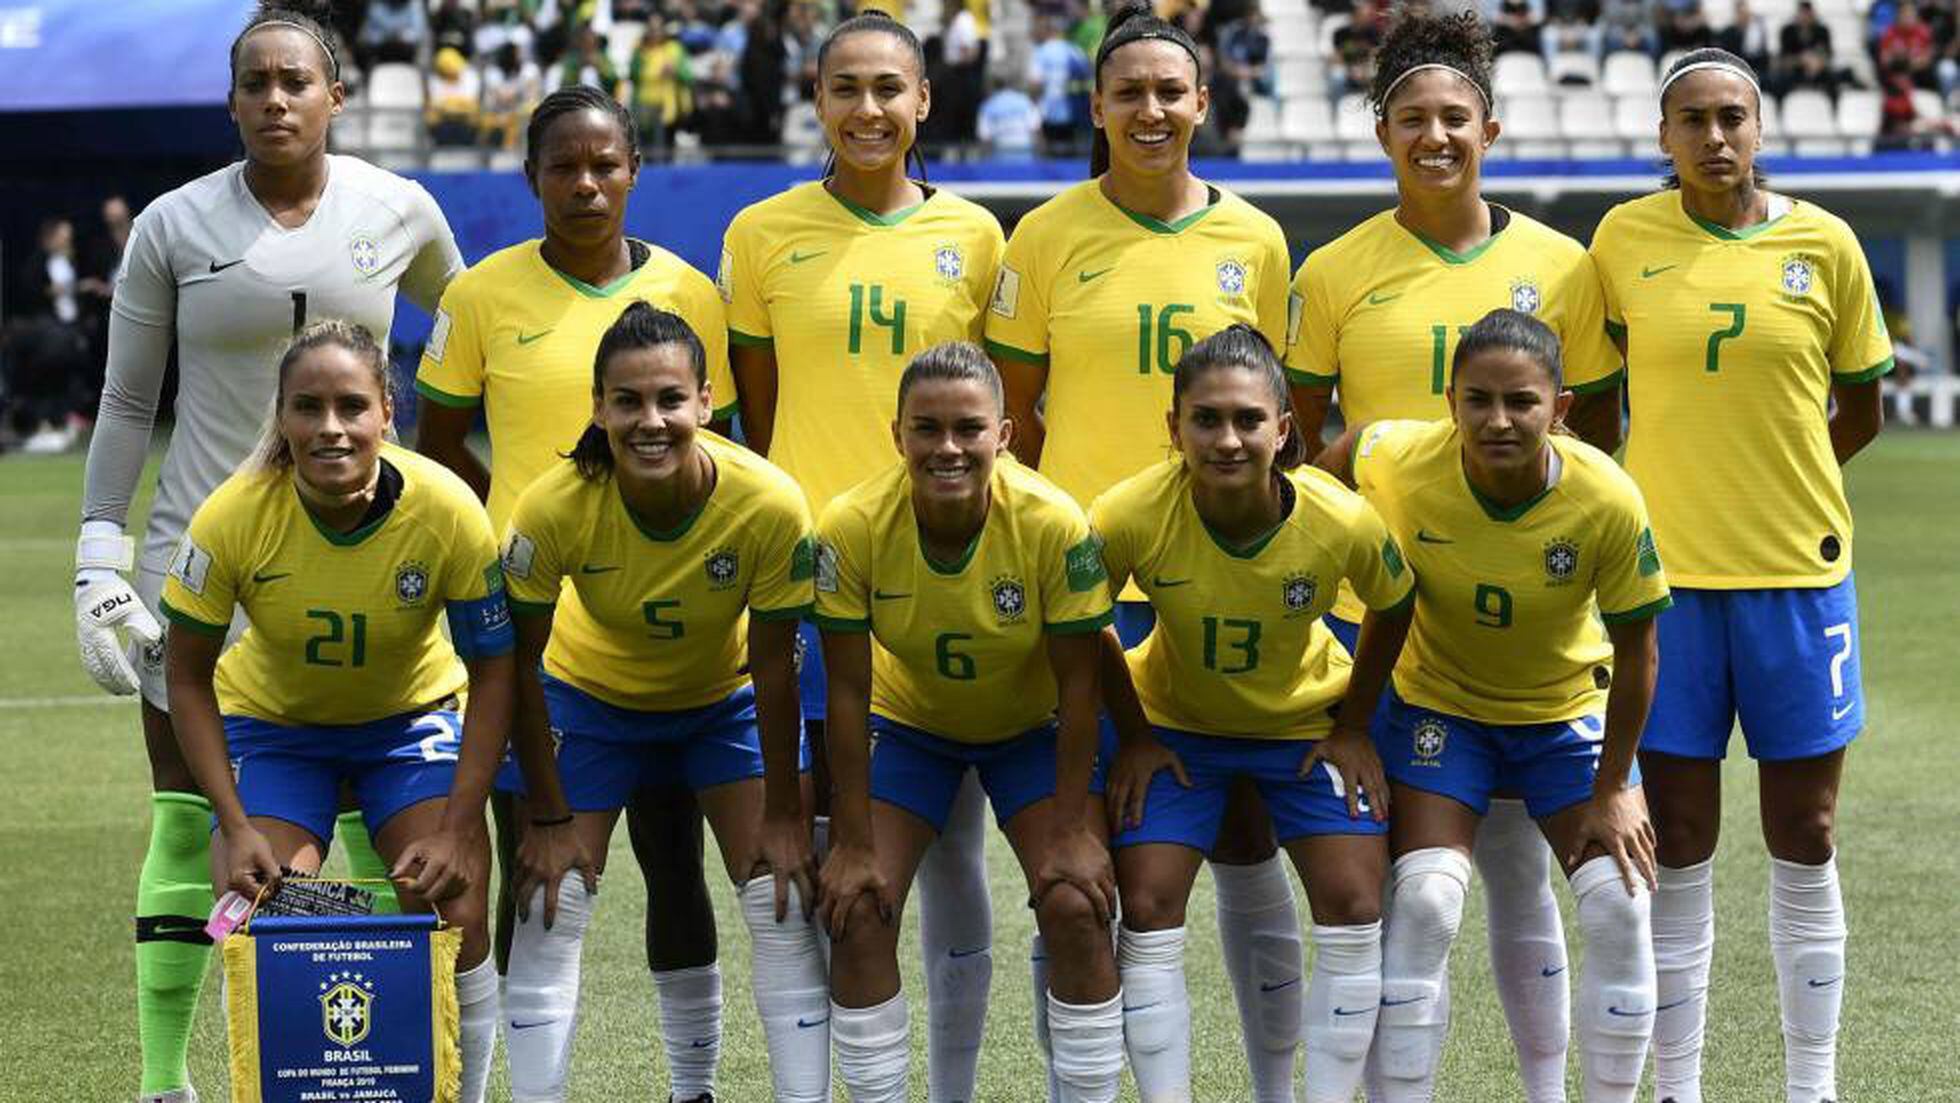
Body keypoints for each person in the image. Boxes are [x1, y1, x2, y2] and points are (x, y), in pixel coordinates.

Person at [72, 6, 463, 1099]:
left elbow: (471, 343)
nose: (277, 98)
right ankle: (163, 1078)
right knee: (188, 812)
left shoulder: (401, 208)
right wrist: (99, 557)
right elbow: (126, 396)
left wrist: (461, 485)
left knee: (378, 816)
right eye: (257, 83)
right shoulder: (171, 224)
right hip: (197, 563)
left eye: (298, 80)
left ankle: (403, 1066)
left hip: (365, 554)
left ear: (337, 96)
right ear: (233, 100)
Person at [1282, 10, 1624, 1097]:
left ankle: (1546, 1086)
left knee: (1526, 872)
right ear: (1380, 131)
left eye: (1453, 118)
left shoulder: (1562, 267)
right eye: (1411, 119)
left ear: (1491, 124)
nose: (1434, 137)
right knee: (1411, 892)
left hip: (1527, 613)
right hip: (1383, 622)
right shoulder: (1332, 271)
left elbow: (1596, 437)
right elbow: (1303, 451)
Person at [981, 5, 1298, 1096]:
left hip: (1225, 575)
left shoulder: (1254, 238)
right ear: (1098, 106)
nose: (1151, 111)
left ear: (1202, 103)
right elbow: (1009, 423)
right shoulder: (1045, 237)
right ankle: (1090, 1081)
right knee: (1084, 858)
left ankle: (1268, 1084)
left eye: (1171, 92)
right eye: (1130, 94)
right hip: (1086, 585)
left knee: (1248, 830)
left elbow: (1274, 412)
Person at [412, 82, 738, 1099]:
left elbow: (712, 447)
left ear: (636, 171)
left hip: (667, 627)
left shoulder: (691, 292)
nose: (588, 183)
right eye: (565, 166)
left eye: (606, 164)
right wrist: (519, 528)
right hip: (536, 633)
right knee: (537, 866)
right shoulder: (478, 298)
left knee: (676, 859)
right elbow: (436, 447)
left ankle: (696, 1085)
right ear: (532, 179)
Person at [1589, 48, 1892, 1103]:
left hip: (1799, 581)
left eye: (1732, 116)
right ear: (1661, 138)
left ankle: (1810, 1085)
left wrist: (1779, 480)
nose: (1714, 136)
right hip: (1664, 590)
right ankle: (1681, 1086)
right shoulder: (1623, 240)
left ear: (1758, 127)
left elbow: (1859, 406)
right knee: (1678, 839)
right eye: (1692, 120)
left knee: (1803, 832)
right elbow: (1603, 392)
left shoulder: (1827, 242)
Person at [717, 11, 1006, 1099]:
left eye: (890, 88)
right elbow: (760, 409)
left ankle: (953, 1087)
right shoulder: (758, 233)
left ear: (924, 99)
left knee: (958, 849)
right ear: (816, 98)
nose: (869, 109)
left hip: (942, 575)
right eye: (846, 89)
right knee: (833, 862)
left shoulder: (979, 237)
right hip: (808, 582)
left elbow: (993, 414)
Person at [1317, 309, 1673, 1103]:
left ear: (1563, 408)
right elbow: (1337, 459)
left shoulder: (1606, 497)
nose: (1498, 420)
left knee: (1621, 903)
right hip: (1443, 708)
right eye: (1477, 400)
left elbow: (1640, 650)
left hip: (1565, 716)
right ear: (1450, 401)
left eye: (1522, 402)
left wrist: (1616, 784)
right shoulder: (1404, 459)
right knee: (1427, 902)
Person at [158, 321, 509, 1101]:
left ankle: (466, 1092)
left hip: (408, 724)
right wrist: (235, 822)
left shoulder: (447, 507)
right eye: (307, 407)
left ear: (388, 410)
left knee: (450, 895)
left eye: (351, 405)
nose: (330, 427)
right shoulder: (233, 516)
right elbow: (186, 678)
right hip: (277, 731)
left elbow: (494, 670)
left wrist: (459, 824)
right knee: (257, 905)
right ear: (280, 417)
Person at [495, 303, 826, 1103]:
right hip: (591, 700)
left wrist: (787, 808)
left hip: (723, 702)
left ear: (706, 402)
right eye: (629, 402)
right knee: (551, 898)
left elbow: (775, 668)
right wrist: (544, 813)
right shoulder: (552, 508)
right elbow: (515, 665)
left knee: (779, 898)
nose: (652, 421)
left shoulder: (770, 503)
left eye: (671, 400)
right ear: (598, 406)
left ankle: (703, 1091)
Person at [1091, 325, 1415, 1103]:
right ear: (1175, 428)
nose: (1227, 439)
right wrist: (1133, 732)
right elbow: (1076, 615)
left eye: (1247, 419)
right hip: (1175, 729)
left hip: (1304, 727)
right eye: (1205, 419)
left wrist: (1354, 725)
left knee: (1354, 898)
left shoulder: (1340, 518)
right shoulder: (1130, 511)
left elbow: (1395, 601)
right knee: (1148, 902)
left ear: (1284, 428)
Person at [813, 343, 1122, 1103]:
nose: (947, 447)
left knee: (1076, 904)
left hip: (1032, 729)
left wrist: (1076, 827)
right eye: (927, 429)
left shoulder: (1053, 522)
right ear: (896, 435)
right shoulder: (851, 526)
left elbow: (1082, 680)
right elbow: (847, 691)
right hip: (914, 726)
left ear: (1005, 435)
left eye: (968, 429)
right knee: (855, 906)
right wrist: (851, 840)